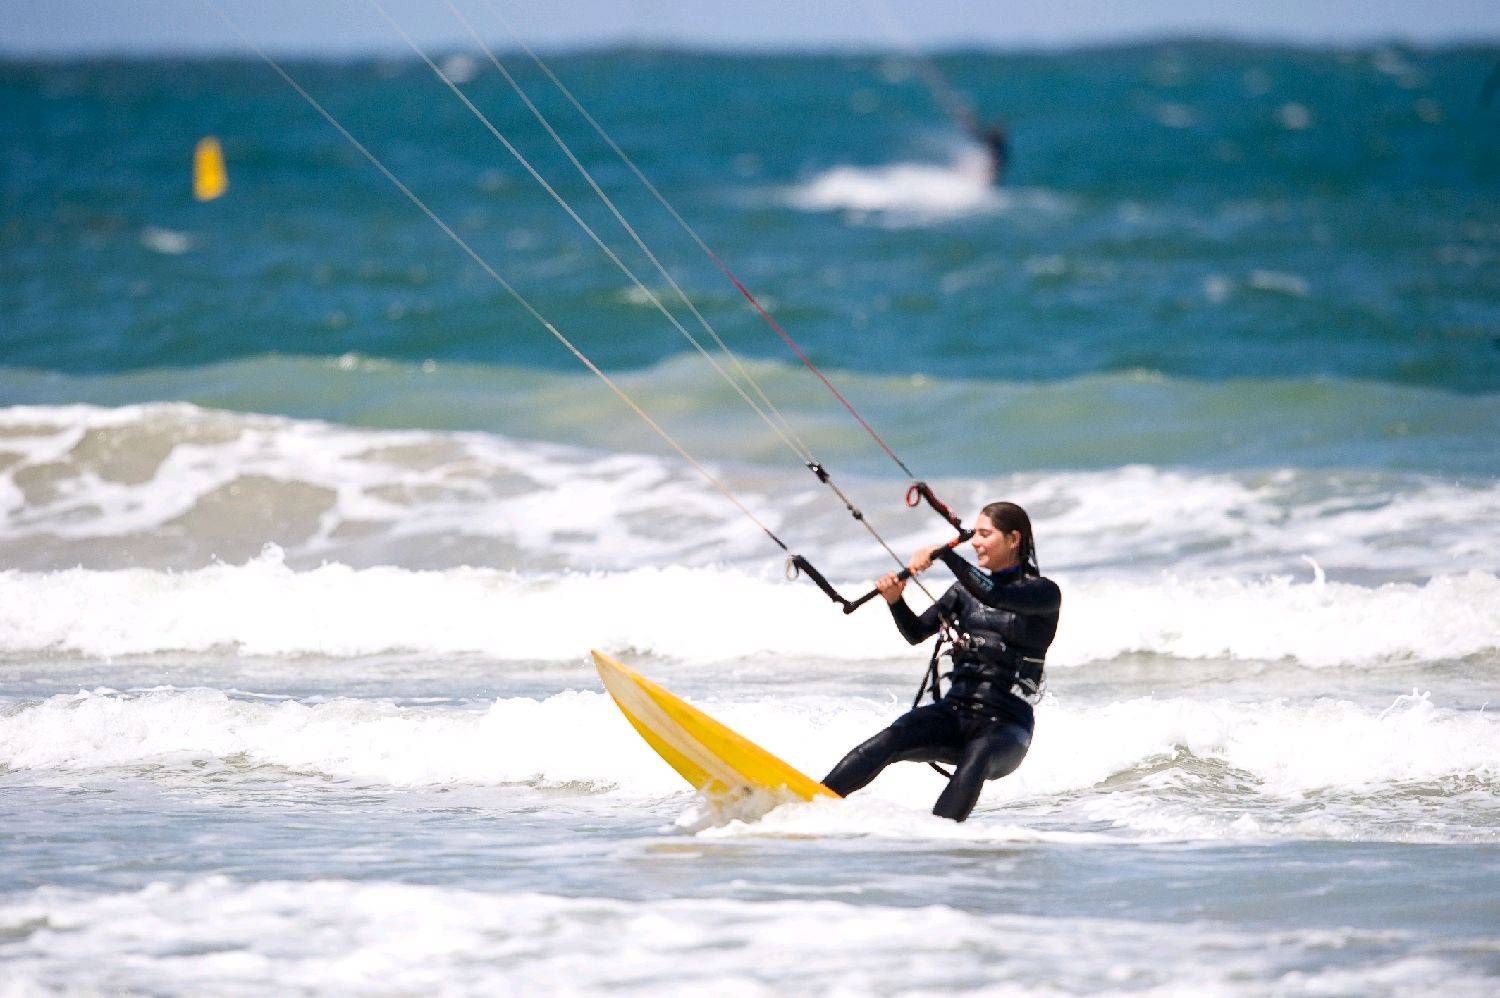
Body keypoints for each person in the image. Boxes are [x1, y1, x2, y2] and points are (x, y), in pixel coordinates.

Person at [822, 501, 1060, 822]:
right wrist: (896, 601)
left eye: (985, 534)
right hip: (955, 715)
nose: (975, 541)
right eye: (974, 534)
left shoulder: (1042, 593)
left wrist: (944, 554)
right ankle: (812, 801)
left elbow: (997, 596)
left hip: (1006, 729)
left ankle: (940, 835)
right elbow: (916, 633)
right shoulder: (963, 592)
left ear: (1013, 539)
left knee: (977, 755)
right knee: (893, 737)